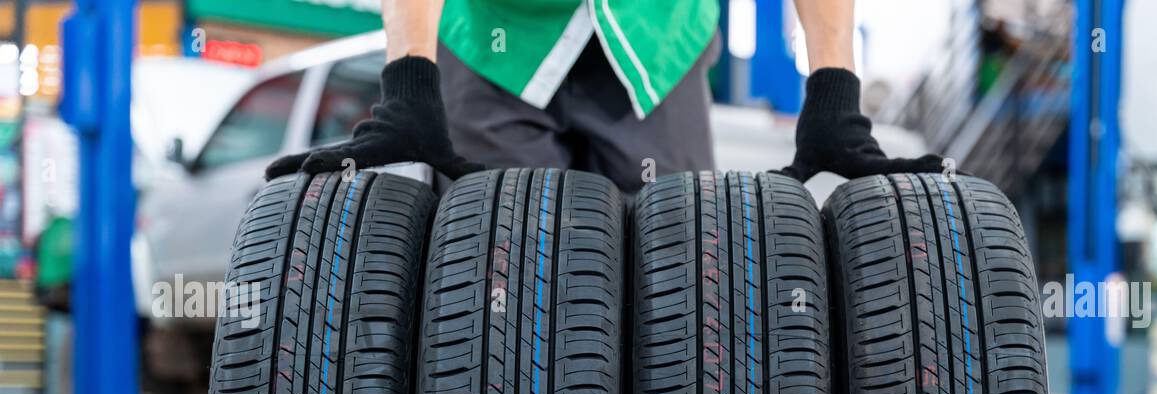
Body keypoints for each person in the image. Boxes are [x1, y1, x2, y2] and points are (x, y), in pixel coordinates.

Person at [267, 0, 943, 192]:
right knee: (503, 290)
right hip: (497, 39)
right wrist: (409, 82)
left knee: (675, 291)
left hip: (656, 36)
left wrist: (832, 90)